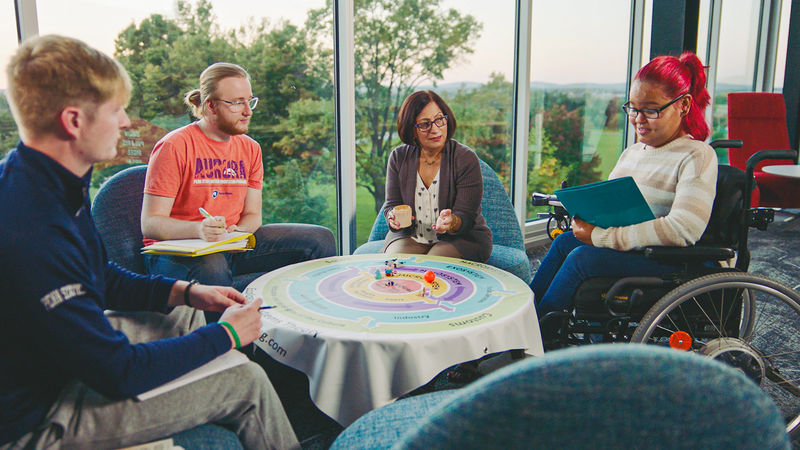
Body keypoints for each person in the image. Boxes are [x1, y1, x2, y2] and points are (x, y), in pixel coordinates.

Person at [0, 35, 298, 449]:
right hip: (40, 418)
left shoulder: (51, 181)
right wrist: (227, 336)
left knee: (185, 315)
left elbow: (102, 278)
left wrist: (188, 291)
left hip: (60, 360)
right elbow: (117, 370)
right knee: (245, 380)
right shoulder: (30, 228)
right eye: (116, 110)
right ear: (73, 121)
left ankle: (209, 412)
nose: (125, 122)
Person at [530, 52, 717, 339]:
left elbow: (685, 229)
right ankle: (522, 322)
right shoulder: (632, 153)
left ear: (683, 105)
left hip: (667, 258)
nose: (638, 119)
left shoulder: (697, 155)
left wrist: (600, 237)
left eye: (651, 110)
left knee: (582, 258)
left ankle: (537, 339)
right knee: (565, 241)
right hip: (632, 250)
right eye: (633, 108)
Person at [141, 62, 335, 290]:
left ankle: (304, 320)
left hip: (229, 244)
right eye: (237, 103)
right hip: (175, 251)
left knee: (320, 240)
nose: (248, 111)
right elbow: (151, 223)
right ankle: (229, 326)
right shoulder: (174, 146)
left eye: (249, 100)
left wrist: (238, 232)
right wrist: (199, 229)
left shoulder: (250, 148)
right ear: (211, 106)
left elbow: (253, 214)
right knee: (212, 267)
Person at [382, 90, 492, 262]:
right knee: (393, 266)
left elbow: (466, 216)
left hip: (459, 240)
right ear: (412, 129)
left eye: (439, 120)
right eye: (425, 124)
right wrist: (392, 217)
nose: (435, 129)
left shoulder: (465, 158)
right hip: (412, 237)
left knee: (432, 268)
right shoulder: (398, 157)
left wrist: (452, 221)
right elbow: (392, 205)